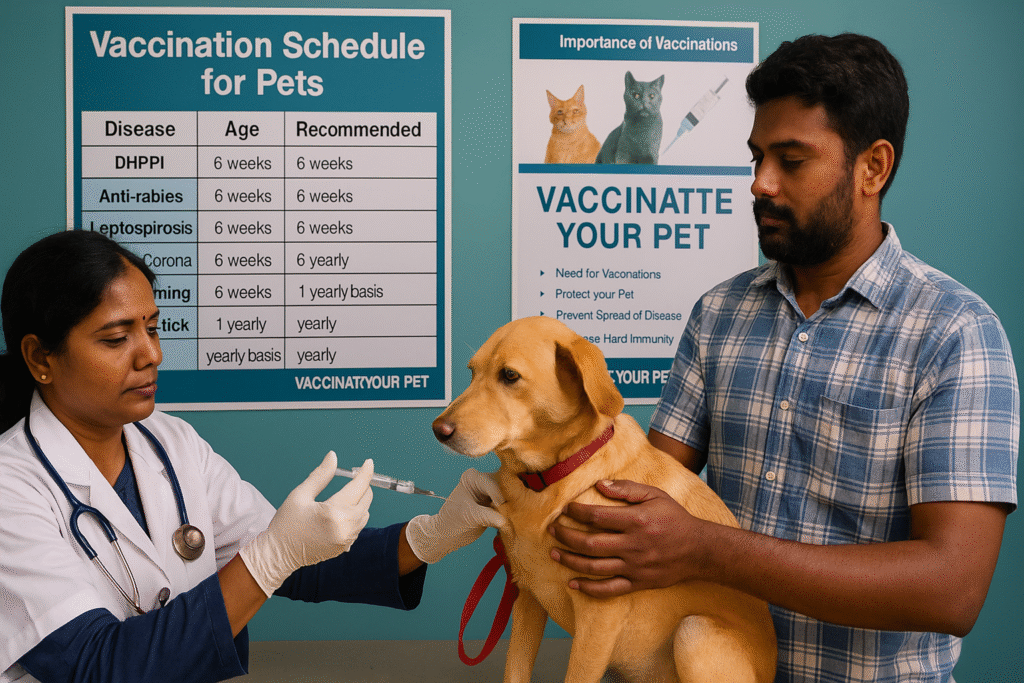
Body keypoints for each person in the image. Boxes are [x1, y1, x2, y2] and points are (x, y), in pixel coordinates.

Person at [548, 33, 1019, 682]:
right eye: (756, 157)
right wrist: (534, 477)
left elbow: (952, 587)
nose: (760, 183)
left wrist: (709, 550)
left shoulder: (956, 334)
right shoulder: (719, 315)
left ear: (873, 168)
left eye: (791, 160)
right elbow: (641, 489)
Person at [0, 230, 504, 683]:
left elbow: (301, 562)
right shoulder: (11, 486)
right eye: (116, 338)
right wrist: (273, 554)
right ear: (41, 358)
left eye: (152, 328)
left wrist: (433, 535)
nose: (150, 354)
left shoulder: (170, 442)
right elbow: (97, 669)